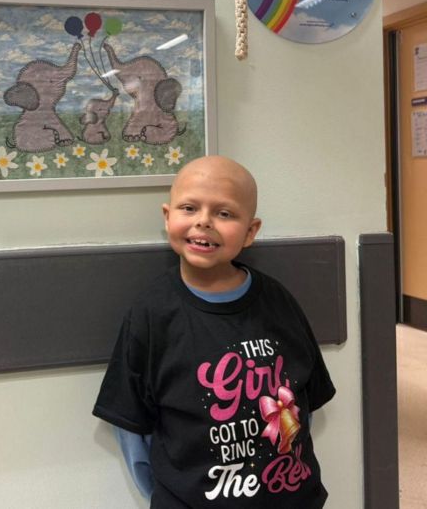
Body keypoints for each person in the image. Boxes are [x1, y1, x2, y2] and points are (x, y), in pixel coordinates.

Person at [92, 155, 335, 508]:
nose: (203, 222)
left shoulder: (279, 302)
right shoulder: (151, 314)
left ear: (251, 231)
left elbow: (305, 403)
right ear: (167, 217)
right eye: (189, 208)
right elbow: (131, 425)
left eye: (224, 213)